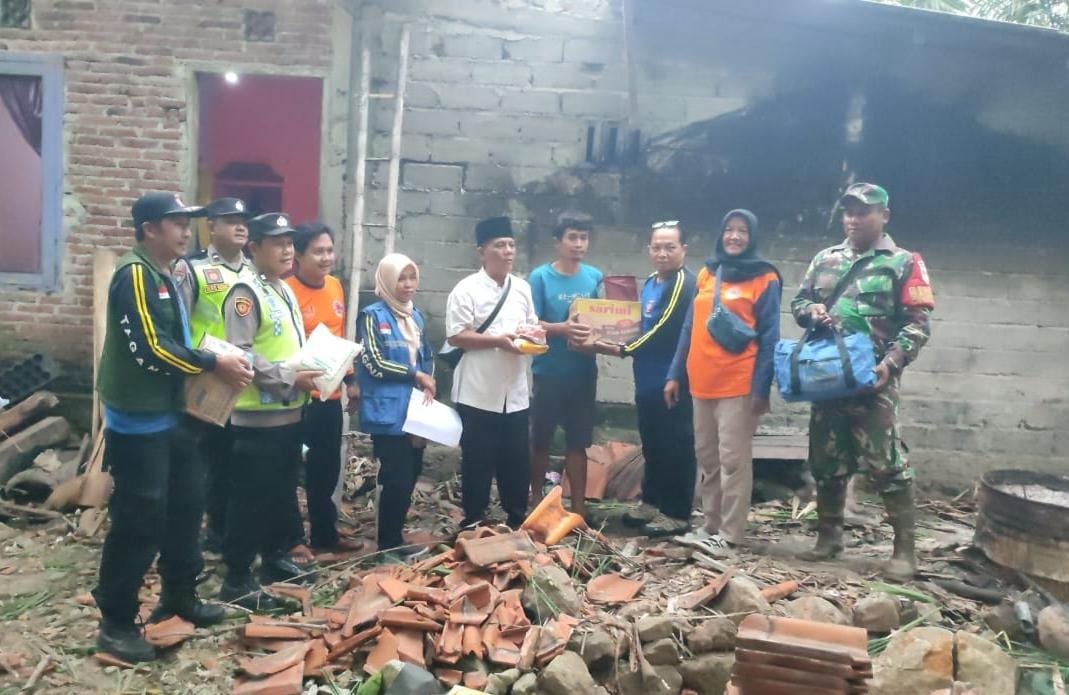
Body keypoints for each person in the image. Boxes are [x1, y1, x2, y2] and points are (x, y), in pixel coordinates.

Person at [93, 192, 253, 662]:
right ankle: (116, 621)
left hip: (174, 413)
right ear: (149, 229)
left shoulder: (173, 271)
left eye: (189, 223)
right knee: (140, 519)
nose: (187, 231)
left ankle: (179, 595)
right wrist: (212, 361)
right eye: (176, 223)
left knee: (187, 505)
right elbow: (151, 349)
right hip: (138, 420)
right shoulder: (135, 275)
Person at [791, 183, 933, 580]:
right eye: (849, 212)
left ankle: (905, 552)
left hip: (874, 382)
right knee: (826, 460)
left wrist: (891, 362)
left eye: (863, 212)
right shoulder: (825, 258)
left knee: (888, 465)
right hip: (829, 378)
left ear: (884, 215)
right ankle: (829, 538)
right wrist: (811, 310)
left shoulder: (904, 262)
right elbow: (799, 302)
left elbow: (918, 324)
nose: (854, 219)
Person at [219, 212, 321, 609]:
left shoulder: (282, 289)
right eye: (276, 243)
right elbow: (239, 353)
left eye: (289, 242)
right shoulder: (246, 293)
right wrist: (287, 376)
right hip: (256, 418)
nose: (286, 250)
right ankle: (237, 578)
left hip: (288, 414)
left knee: (279, 493)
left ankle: (274, 558)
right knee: (249, 499)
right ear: (255, 248)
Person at [666, 209, 781, 555]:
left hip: (738, 384)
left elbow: (770, 336)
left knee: (733, 459)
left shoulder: (765, 278)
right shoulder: (707, 272)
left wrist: (762, 389)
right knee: (707, 457)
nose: (734, 236)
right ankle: (710, 525)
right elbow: (689, 327)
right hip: (701, 382)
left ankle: (731, 534)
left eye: (742, 231)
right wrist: (674, 374)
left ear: (752, 237)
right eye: (729, 230)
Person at [596, 220, 697, 536]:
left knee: (676, 445)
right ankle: (651, 503)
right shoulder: (653, 281)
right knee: (652, 443)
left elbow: (662, 330)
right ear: (649, 250)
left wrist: (618, 349)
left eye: (670, 247)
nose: (663, 254)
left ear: (684, 250)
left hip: (673, 380)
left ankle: (677, 513)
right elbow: (638, 323)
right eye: (657, 247)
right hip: (647, 378)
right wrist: (608, 329)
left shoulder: (683, 283)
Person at [445, 216, 539, 529]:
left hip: (515, 391)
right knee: (477, 460)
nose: (508, 251)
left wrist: (532, 339)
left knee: (516, 460)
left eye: (511, 245)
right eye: (500, 245)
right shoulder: (465, 290)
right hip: (477, 390)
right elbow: (457, 336)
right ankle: (473, 519)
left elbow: (532, 325)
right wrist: (499, 341)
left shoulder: (522, 288)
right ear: (481, 251)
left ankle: (515, 516)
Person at [173, 197, 254, 553]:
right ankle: (204, 533)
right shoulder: (191, 268)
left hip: (248, 378)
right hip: (208, 377)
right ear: (211, 226)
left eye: (243, 220)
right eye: (230, 220)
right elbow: (179, 322)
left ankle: (231, 531)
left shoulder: (254, 270)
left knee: (239, 463)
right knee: (209, 461)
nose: (240, 226)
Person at [285, 222, 364, 554]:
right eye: (318, 251)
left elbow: (340, 336)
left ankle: (325, 535)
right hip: (295, 396)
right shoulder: (285, 290)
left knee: (326, 470)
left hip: (328, 396)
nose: (326, 257)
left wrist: (351, 381)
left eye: (330, 250)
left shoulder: (335, 287)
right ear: (299, 256)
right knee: (288, 470)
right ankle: (290, 539)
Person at [356, 253, 436, 561]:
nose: (407, 285)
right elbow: (374, 363)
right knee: (396, 475)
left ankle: (395, 537)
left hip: (415, 409)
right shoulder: (372, 316)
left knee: (412, 472)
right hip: (387, 410)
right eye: (400, 279)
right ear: (387, 281)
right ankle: (386, 544)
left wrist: (430, 380)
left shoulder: (415, 316)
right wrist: (415, 375)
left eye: (411, 277)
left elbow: (424, 355)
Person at [527, 212, 603, 520]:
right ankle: (534, 502)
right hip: (548, 372)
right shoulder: (540, 277)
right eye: (572, 237)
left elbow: (602, 320)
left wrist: (606, 335)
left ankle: (579, 509)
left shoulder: (595, 276)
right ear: (558, 242)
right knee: (541, 441)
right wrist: (563, 329)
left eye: (583, 238)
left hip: (583, 372)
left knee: (578, 443)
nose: (578, 244)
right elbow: (529, 324)